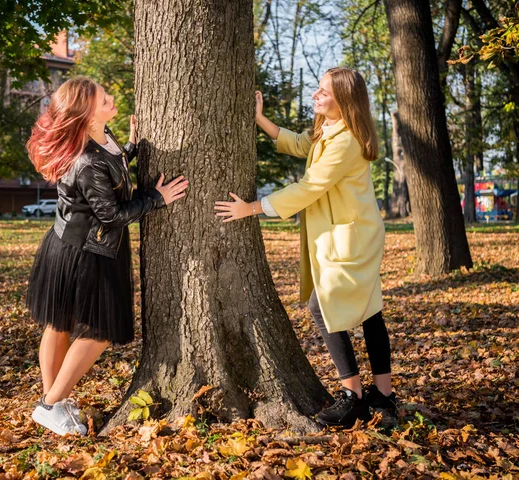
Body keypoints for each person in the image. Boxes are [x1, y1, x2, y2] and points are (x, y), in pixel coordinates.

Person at [214, 67, 396, 428]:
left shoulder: (345, 142)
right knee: (370, 312)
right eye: (318, 88)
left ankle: (354, 397)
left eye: (324, 91)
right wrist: (260, 120)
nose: (316, 95)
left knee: (323, 307)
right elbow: (301, 144)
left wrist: (252, 208)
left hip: (351, 241)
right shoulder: (329, 131)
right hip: (350, 235)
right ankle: (383, 397)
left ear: (343, 100)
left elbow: (309, 187)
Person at [25, 76, 189, 436]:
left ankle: (52, 400)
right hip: (86, 250)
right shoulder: (85, 161)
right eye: (104, 99)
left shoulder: (102, 136)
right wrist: (157, 199)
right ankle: (52, 404)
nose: (112, 100)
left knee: (60, 323)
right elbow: (112, 214)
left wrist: (130, 147)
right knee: (98, 331)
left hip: (72, 242)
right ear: (86, 114)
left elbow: (112, 165)